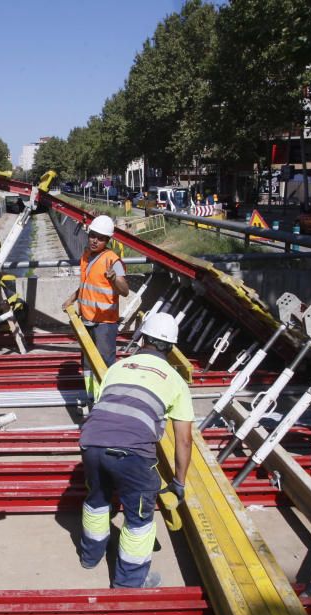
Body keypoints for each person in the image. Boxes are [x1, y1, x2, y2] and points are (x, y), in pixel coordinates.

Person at [77, 312, 194, 588]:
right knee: (139, 519)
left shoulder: (118, 367)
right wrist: (179, 481)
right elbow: (184, 440)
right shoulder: (175, 380)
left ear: (142, 338)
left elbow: (103, 408)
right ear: (171, 346)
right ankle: (129, 583)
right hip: (132, 454)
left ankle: (89, 557)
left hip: (91, 442)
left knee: (96, 501)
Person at [62, 215, 129, 392]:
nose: (95, 240)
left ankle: (106, 396)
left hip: (104, 323)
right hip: (86, 319)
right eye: (93, 235)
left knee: (104, 361)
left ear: (107, 240)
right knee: (87, 361)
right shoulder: (85, 256)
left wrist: (114, 278)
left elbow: (125, 291)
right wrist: (72, 298)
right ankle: (90, 395)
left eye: (100, 238)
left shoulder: (112, 260)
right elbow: (86, 285)